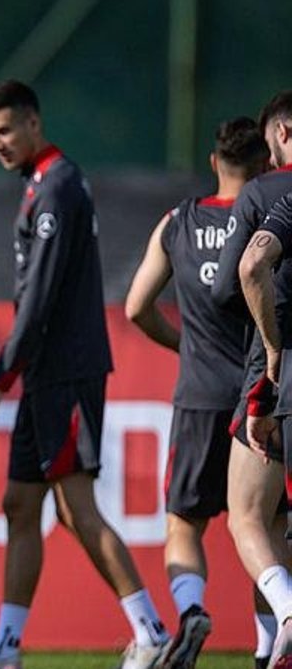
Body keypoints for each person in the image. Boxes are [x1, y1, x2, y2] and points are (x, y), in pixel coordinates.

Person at [0, 80, 170, 669]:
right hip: (46, 372)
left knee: (75, 506)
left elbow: (38, 299)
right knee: (20, 503)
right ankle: (5, 648)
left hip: (65, 369)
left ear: (34, 123)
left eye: (6, 130)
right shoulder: (42, 183)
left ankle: (152, 632)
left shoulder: (58, 184)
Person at [124, 116, 272, 668]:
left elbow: (137, 307)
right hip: (261, 397)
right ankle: (270, 648)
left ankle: (191, 611)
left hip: (200, 397)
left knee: (184, 524)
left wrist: (185, 345)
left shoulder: (178, 222)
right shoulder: (271, 219)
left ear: (214, 162)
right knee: (269, 528)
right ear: (264, 165)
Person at [212, 90, 292, 669]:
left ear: (282, 134)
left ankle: (287, 615)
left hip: (278, 372)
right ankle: (269, 651)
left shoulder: (266, 192)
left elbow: (230, 283)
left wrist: (270, 349)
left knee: (248, 515)